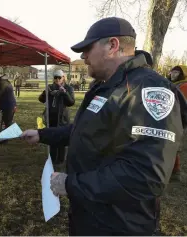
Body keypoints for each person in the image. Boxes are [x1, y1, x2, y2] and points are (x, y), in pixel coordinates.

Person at [21, 17, 187, 235]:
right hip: (91, 214)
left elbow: (145, 175)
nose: (83, 57)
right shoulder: (106, 86)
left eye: (88, 48)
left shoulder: (147, 90)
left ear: (112, 45)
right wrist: (43, 134)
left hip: (120, 224)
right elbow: (86, 130)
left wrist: (71, 185)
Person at [38, 70, 75, 165]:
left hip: (62, 117)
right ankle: (53, 158)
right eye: (55, 77)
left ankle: (61, 159)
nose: (57, 79)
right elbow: (41, 100)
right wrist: (45, 93)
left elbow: (71, 102)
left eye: (59, 77)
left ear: (63, 77)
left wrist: (64, 93)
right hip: (51, 116)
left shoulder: (68, 88)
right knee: (52, 137)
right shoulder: (50, 87)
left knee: (61, 138)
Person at [167, 65, 187, 182]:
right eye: (172, 72)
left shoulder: (184, 85)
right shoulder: (175, 85)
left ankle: (176, 171)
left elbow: (181, 103)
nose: (172, 75)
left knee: (174, 143)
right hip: (173, 116)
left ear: (182, 74)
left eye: (176, 73)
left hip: (179, 117)